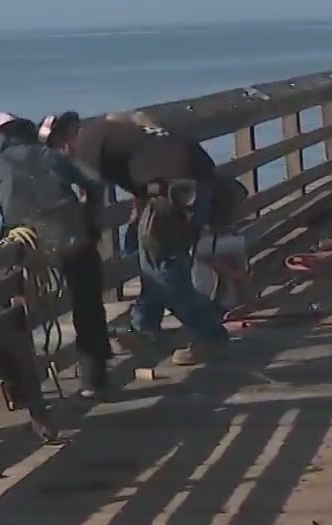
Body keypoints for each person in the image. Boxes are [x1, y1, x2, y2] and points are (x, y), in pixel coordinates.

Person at [43, 111, 231, 366]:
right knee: (151, 263)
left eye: (57, 149)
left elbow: (92, 190)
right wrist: (139, 207)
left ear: (65, 140)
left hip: (174, 191)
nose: (62, 155)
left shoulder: (86, 143)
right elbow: (143, 157)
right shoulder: (111, 129)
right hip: (196, 179)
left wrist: (84, 231)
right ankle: (144, 327)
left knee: (168, 272)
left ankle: (211, 336)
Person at [0, 111, 113, 398]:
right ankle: (93, 380)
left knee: (10, 312)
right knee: (88, 302)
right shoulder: (50, 156)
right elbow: (95, 182)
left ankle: (18, 383)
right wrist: (90, 214)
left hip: (30, 249)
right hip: (74, 237)